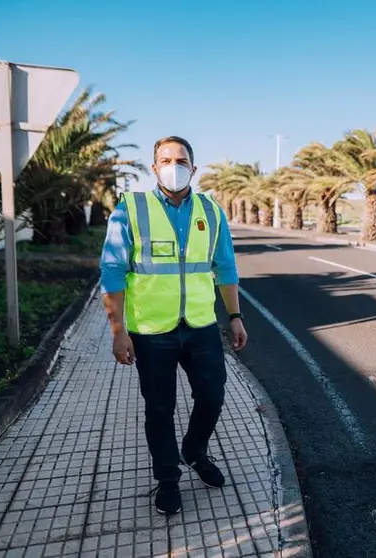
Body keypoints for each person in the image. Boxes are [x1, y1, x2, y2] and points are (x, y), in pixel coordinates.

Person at [99, 135, 248, 515]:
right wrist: (118, 331)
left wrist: (234, 316)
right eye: (165, 160)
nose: (173, 166)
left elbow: (225, 267)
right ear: (154, 168)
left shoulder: (211, 211)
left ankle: (194, 451)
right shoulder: (131, 209)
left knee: (212, 396)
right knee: (160, 409)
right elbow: (112, 272)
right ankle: (167, 479)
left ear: (193, 168)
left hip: (200, 326)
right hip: (151, 331)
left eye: (180, 160)